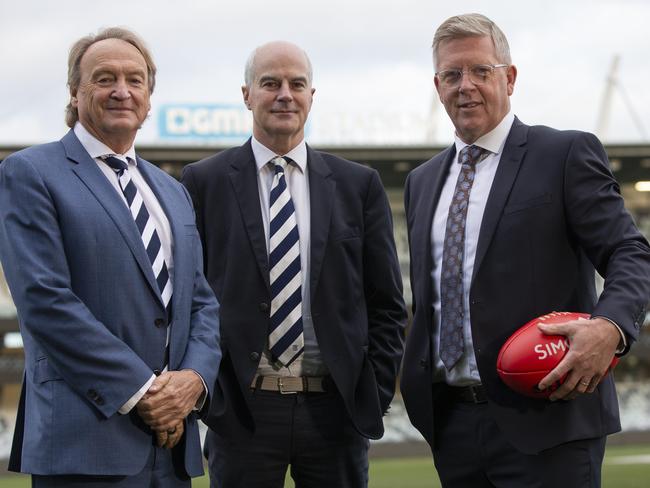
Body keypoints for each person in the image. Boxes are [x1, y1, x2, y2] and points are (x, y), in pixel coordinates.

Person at [400, 13, 650, 488]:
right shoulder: (421, 182)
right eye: (452, 75)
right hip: (453, 426)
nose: (465, 86)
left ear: (509, 77)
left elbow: (631, 252)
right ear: (437, 86)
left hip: (548, 418)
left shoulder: (563, 154)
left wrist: (610, 326)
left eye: (481, 71)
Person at [0, 27, 222, 487]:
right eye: (105, 79)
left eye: (135, 80)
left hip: (173, 444)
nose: (122, 90)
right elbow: (45, 300)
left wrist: (192, 383)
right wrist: (144, 393)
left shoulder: (173, 192)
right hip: (86, 440)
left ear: (148, 95)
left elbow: (201, 303)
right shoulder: (30, 173)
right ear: (75, 93)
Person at [181, 40, 407, 488]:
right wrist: (215, 397)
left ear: (311, 95)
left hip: (335, 411)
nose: (285, 93)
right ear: (247, 94)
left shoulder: (358, 185)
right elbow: (192, 297)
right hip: (243, 411)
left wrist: (373, 393)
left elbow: (387, 305)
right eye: (270, 83)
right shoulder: (203, 182)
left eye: (296, 84)